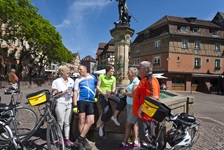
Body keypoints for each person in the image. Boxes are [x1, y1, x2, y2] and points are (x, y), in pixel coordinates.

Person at [132, 61, 160, 149]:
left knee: (148, 141)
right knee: (144, 140)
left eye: (139, 68)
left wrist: (141, 107)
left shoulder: (150, 79)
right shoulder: (145, 79)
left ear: (146, 69)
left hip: (147, 116)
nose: (137, 70)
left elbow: (155, 96)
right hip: (143, 116)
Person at [96, 65, 126, 137]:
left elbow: (114, 87)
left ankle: (114, 117)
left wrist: (112, 92)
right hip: (102, 94)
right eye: (112, 70)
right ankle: (101, 125)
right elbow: (97, 87)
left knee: (121, 102)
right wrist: (103, 94)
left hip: (110, 94)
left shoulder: (113, 78)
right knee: (106, 111)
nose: (113, 71)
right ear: (108, 70)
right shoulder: (101, 76)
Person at [73, 65, 98, 150]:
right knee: (81, 120)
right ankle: (83, 140)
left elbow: (96, 87)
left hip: (91, 101)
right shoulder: (77, 80)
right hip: (81, 100)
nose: (79, 71)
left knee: (91, 120)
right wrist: (75, 105)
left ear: (85, 69)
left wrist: (96, 95)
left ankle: (80, 139)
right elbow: (75, 93)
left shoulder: (93, 77)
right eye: (78, 69)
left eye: (80, 69)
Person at [117, 67, 140, 150]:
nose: (127, 73)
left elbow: (134, 95)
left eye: (129, 72)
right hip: (130, 104)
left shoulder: (136, 81)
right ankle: (135, 142)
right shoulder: (132, 81)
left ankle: (124, 142)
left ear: (133, 73)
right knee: (133, 124)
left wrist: (124, 92)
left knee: (128, 124)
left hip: (133, 105)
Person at [52, 65, 74, 148]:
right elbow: (54, 94)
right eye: (67, 70)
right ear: (62, 72)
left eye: (69, 70)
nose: (69, 71)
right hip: (60, 103)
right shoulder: (56, 81)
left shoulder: (71, 80)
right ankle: (59, 138)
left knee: (67, 122)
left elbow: (74, 91)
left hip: (69, 103)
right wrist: (64, 92)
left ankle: (67, 139)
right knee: (60, 122)